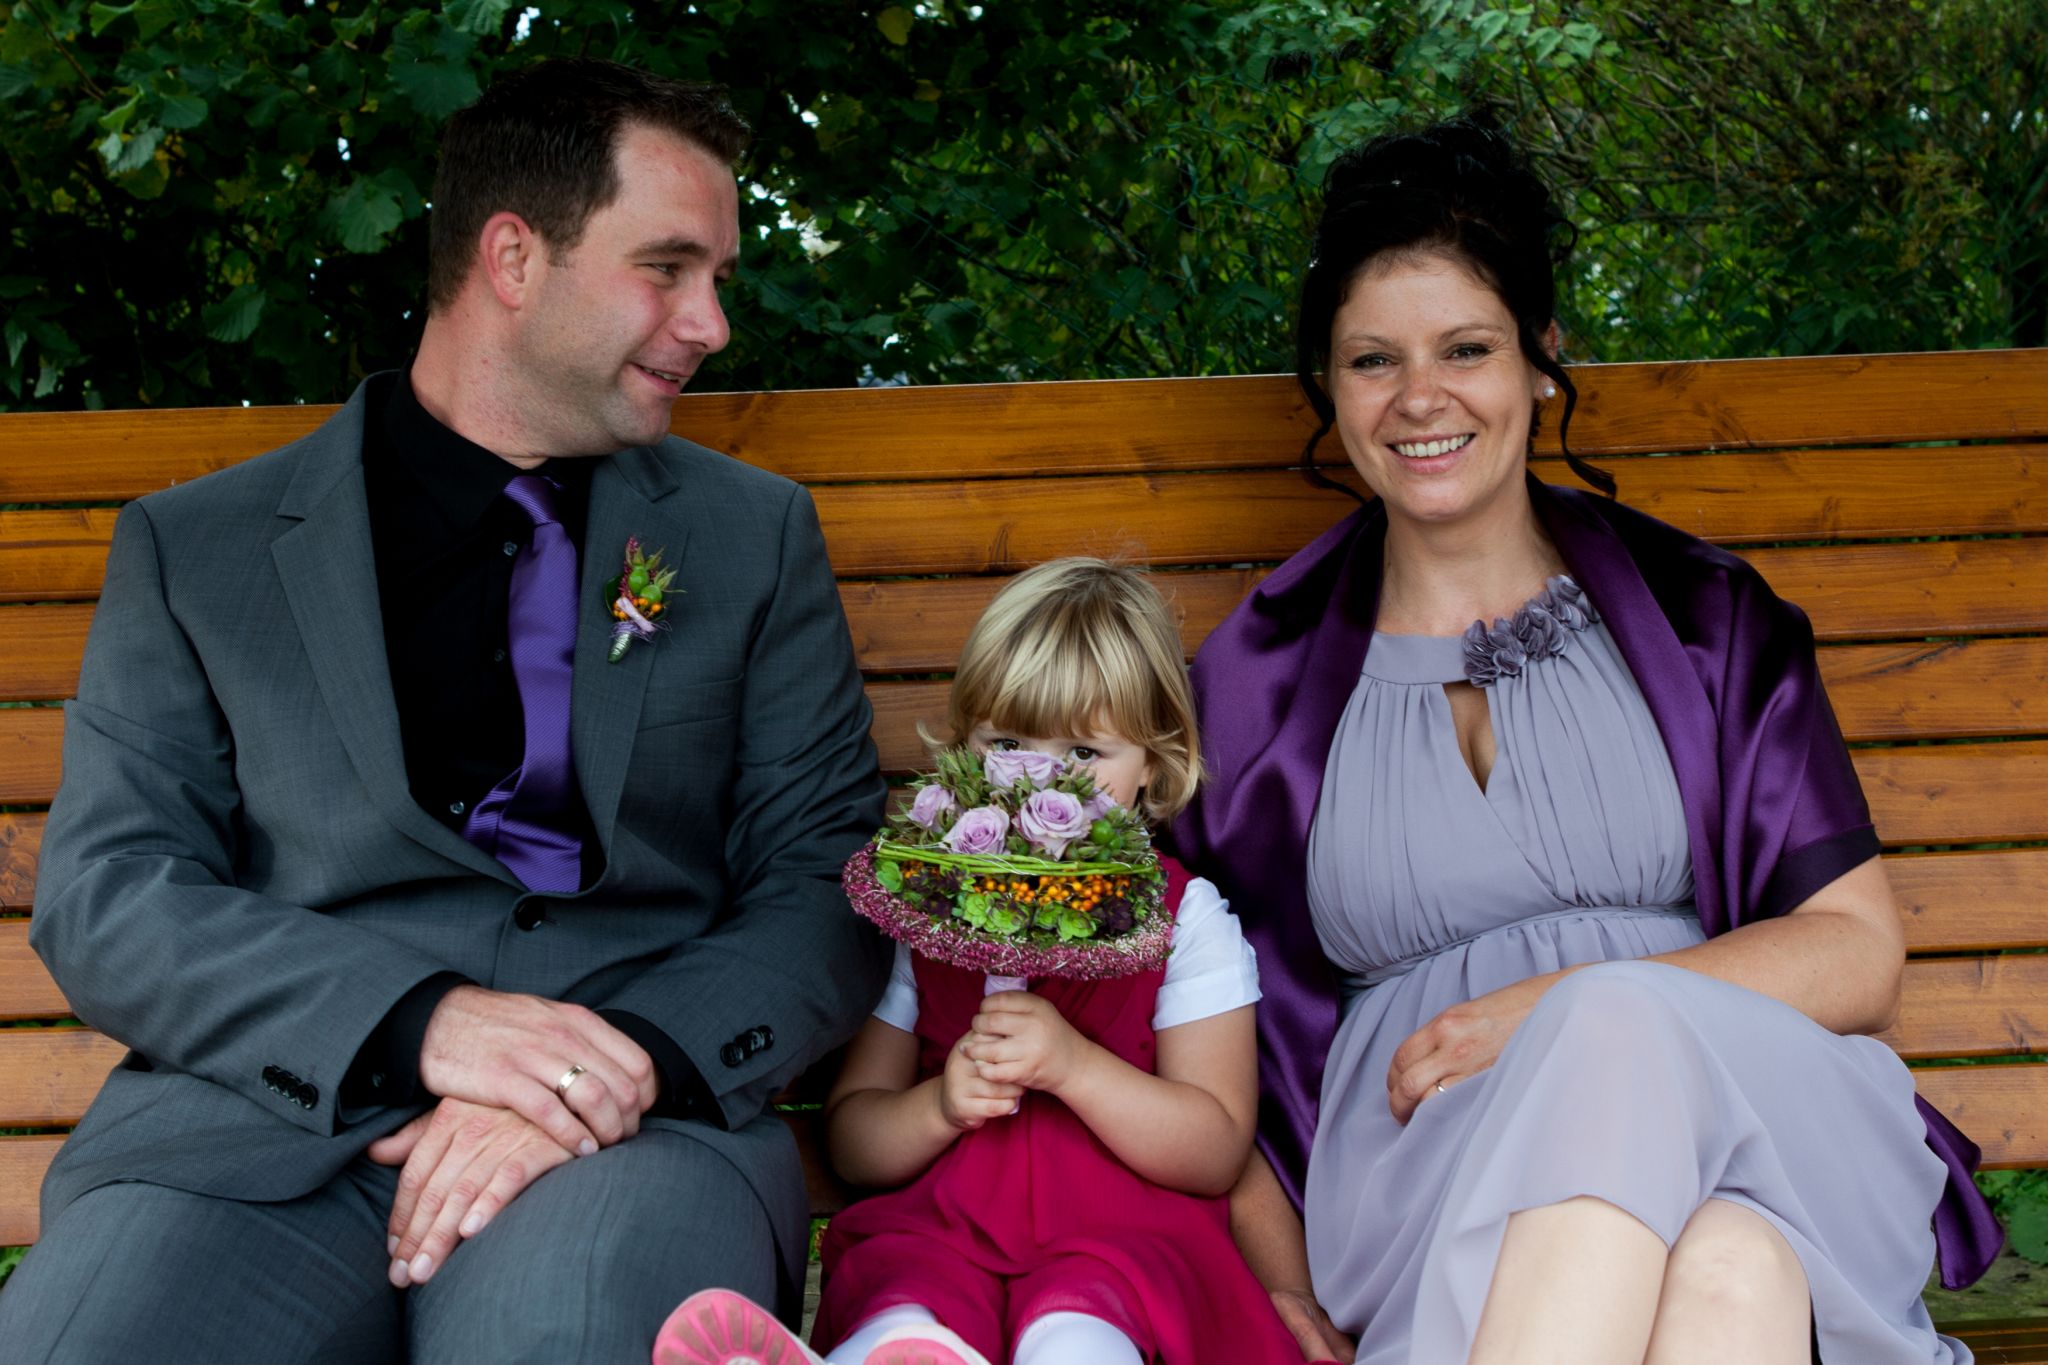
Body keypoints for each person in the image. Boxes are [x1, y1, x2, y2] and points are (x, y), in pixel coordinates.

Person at [1, 58, 889, 1363]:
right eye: (667, 268)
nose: (710, 323)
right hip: (253, 1143)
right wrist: (425, 1024)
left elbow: (828, 873)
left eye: (720, 278)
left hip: (627, 1138)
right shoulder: (201, 552)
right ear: (513, 258)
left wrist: (613, 1065)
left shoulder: (748, 538)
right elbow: (112, 892)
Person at [1171, 118, 2003, 1364]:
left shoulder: (1698, 618)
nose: (1418, 398)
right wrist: (1272, 1281)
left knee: (1612, 1030)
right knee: (1729, 1274)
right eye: (1371, 360)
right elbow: (1181, 1017)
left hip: (1756, 1113)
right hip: (1428, 1172)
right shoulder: (1253, 686)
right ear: (1327, 387)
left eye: (1465, 348)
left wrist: (1556, 1010)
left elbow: (1855, 954)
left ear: (1540, 357)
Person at [654, 559, 1305, 1365]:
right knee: (907, 1301)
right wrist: (939, 1105)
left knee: (1077, 1329)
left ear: (1154, 767)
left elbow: (1215, 1147)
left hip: (1116, 1244)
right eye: (1007, 743)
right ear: (964, 748)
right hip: (944, 1231)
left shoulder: (1185, 917)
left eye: (1084, 749)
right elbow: (854, 1136)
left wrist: (1074, 1066)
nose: (1040, 780)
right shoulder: (928, 911)